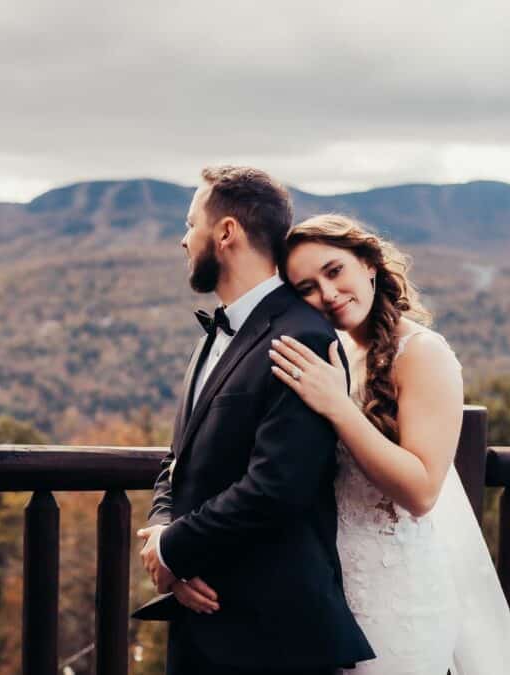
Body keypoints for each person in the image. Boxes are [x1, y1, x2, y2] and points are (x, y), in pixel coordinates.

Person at [135, 168, 374, 674]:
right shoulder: (209, 340)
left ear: (225, 233)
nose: (183, 240)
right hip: (201, 625)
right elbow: (176, 462)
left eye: (190, 223)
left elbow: (278, 485)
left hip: (271, 636)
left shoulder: (302, 337)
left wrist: (176, 548)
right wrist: (164, 538)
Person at [268, 213, 510, 674]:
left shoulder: (423, 353)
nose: (328, 294)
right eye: (307, 287)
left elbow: (423, 491)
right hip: (330, 594)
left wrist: (338, 406)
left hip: (397, 596)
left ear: (368, 263)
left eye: (334, 271)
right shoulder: (336, 353)